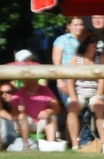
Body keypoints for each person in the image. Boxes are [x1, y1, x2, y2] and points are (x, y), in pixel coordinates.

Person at [52, 16, 93, 148]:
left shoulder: (87, 39)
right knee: (73, 108)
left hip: (84, 81)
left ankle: (82, 139)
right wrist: (59, 81)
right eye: (75, 25)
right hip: (65, 78)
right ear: (69, 26)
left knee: (85, 111)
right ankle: (77, 140)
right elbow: (56, 62)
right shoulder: (61, 40)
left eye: (81, 25)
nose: (79, 27)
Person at [8, 51, 60, 146]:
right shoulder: (18, 94)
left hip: (42, 121)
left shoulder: (46, 90)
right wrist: (20, 112)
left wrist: (47, 111)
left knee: (50, 117)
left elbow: (57, 108)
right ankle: (26, 145)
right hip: (27, 123)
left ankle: (51, 144)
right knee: (22, 117)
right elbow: (14, 113)